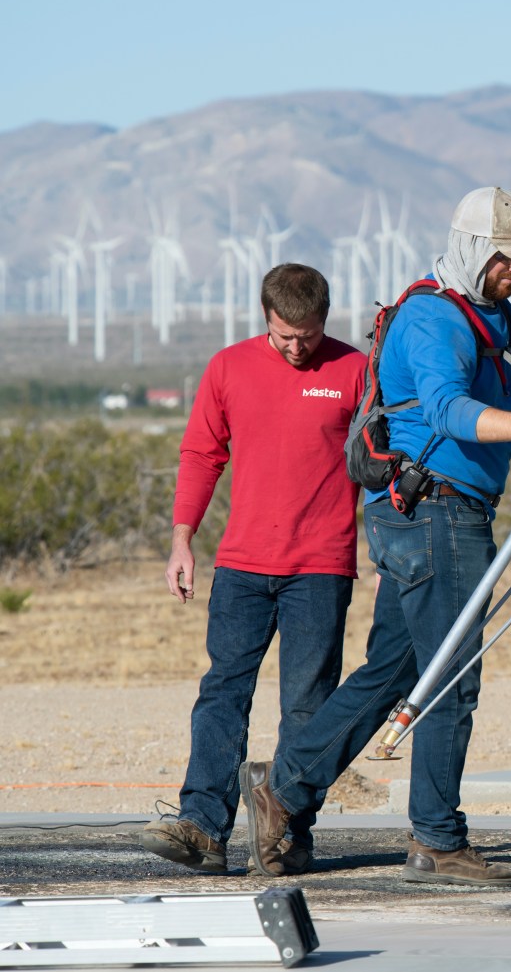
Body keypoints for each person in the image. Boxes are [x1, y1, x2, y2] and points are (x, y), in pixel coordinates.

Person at [239, 186, 511, 886]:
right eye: (508, 260)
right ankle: (438, 839)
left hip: (437, 515)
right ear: (476, 250)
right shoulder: (432, 318)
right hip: (435, 513)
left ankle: (283, 787)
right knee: (450, 682)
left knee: (395, 671)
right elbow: (447, 410)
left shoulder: (492, 316)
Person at [137, 263, 366, 875]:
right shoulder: (227, 367)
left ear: (326, 319)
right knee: (222, 694)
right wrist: (181, 541)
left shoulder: (353, 370)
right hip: (241, 566)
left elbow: (385, 456)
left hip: (320, 567)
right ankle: (203, 828)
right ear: (264, 318)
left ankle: (288, 829)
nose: (297, 348)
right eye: (284, 335)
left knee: (307, 706)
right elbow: (201, 454)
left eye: (309, 336)